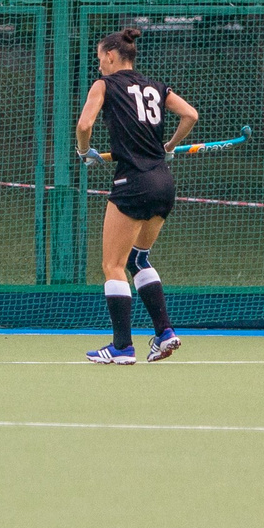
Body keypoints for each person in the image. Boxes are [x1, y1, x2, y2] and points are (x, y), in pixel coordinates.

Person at [76, 25, 197, 365]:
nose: (99, 65)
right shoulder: (156, 87)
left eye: (100, 59)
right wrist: (169, 146)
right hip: (163, 183)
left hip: (133, 183)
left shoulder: (105, 84)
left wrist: (84, 151)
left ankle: (122, 346)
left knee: (112, 265)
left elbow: (85, 125)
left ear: (112, 56)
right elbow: (191, 114)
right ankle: (165, 333)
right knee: (137, 259)